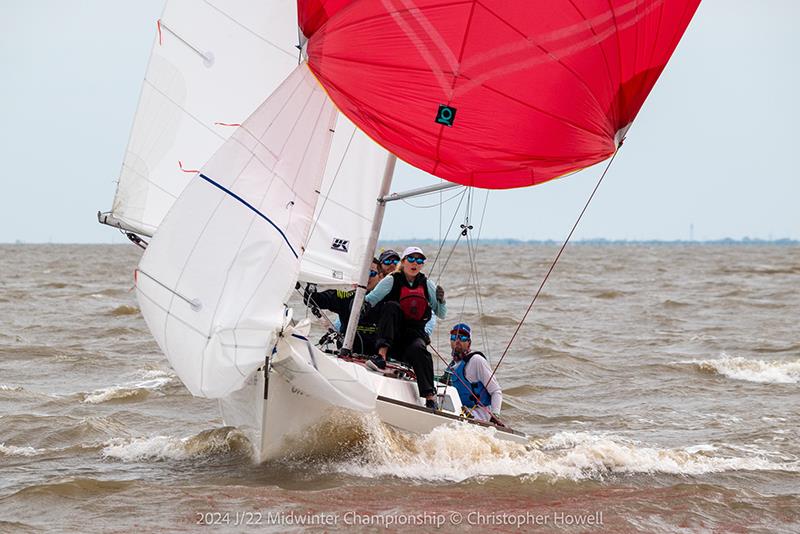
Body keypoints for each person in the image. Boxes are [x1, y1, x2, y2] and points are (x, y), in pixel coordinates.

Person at [364, 246, 446, 409]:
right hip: (392, 336)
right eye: (411, 258)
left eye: (419, 260)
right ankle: (381, 357)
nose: (415, 263)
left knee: (420, 350)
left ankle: (430, 397)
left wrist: (441, 301)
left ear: (422, 264)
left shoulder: (427, 284)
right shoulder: (392, 279)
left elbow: (441, 314)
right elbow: (370, 300)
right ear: (403, 262)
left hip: (413, 336)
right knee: (391, 307)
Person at [302, 258, 384, 355]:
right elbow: (312, 300)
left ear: (380, 277)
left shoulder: (387, 299)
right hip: (348, 355)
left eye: (371, 273)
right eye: (363, 274)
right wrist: (311, 282)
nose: (366, 278)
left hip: (379, 359)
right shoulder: (345, 296)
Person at [446, 322, 503, 424]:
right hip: (460, 412)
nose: (457, 341)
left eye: (462, 338)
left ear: (469, 343)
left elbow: (496, 391)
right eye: (454, 337)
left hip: (480, 415)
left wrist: (495, 416)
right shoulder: (451, 367)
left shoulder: (476, 360)